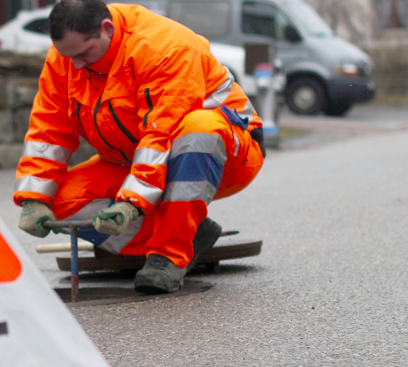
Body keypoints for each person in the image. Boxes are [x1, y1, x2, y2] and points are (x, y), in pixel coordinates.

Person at [14, 0, 266, 294]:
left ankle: (168, 257)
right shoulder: (67, 56)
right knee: (59, 204)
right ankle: (189, 233)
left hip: (225, 155)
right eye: (68, 56)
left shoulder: (165, 49)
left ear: (106, 29)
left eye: (83, 54)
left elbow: (161, 134)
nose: (76, 65)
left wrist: (131, 203)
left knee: (200, 128)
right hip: (136, 159)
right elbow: (48, 129)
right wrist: (34, 198)